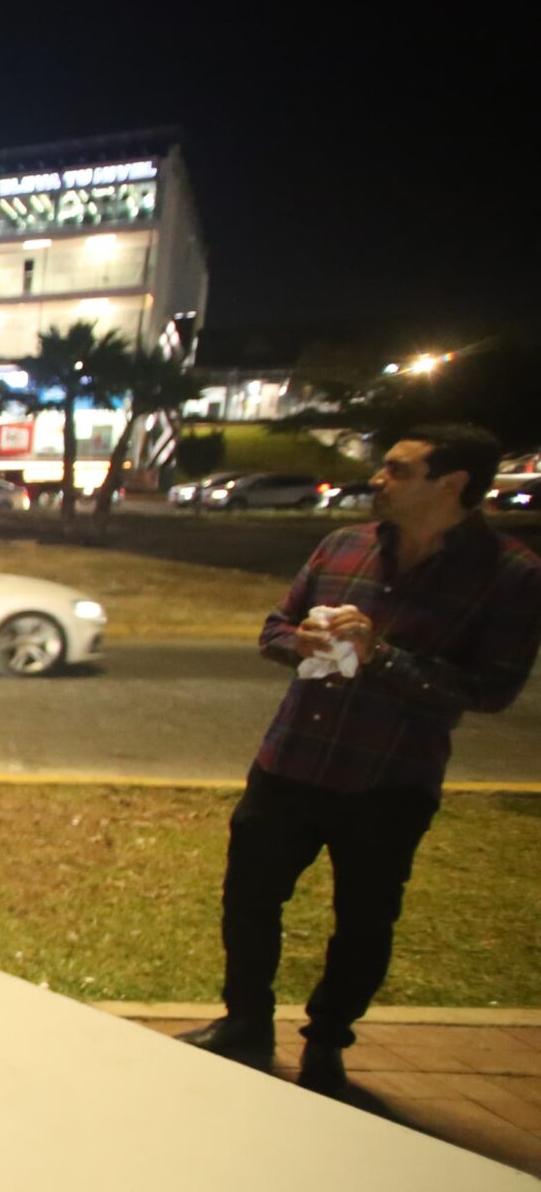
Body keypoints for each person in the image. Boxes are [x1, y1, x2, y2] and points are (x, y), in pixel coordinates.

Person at [180, 425, 540, 1093]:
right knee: (250, 899)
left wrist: (384, 658)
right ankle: (246, 1023)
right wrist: (301, 641)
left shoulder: (509, 575)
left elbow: (493, 689)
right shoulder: (343, 546)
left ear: (452, 484)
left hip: (389, 780)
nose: (378, 478)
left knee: (364, 921)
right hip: (291, 759)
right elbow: (273, 629)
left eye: (399, 470)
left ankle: (327, 1043)